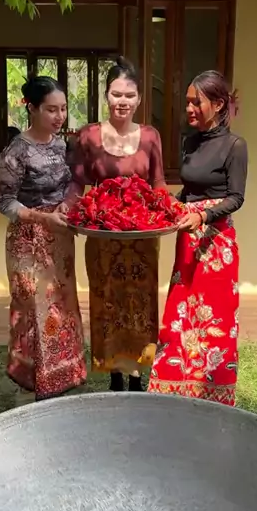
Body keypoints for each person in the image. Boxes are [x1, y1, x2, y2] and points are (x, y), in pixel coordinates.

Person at [148, 70, 248, 406]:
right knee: (182, 312)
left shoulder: (235, 146)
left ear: (218, 104)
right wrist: (166, 206)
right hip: (188, 239)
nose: (189, 108)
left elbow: (236, 198)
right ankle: (175, 386)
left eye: (197, 102)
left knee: (214, 317)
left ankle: (212, 392)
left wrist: (202, 216)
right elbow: (190, 190)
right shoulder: (190, 142)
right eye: (188, 102)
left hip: (216, 242)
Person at [68, 57, 167, 392]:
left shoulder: (150, 136)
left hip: (142, 238)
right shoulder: (89, 136)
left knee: (140, 302)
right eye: (116, 94)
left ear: (139, 99)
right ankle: (113, 373)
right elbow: (77, 183)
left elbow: (158, 183)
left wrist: (171, 210)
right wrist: (68, 210)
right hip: (103, 235)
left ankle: (137, 375)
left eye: (129, 95)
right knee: (106, 301)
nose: (122, 101)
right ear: (106, 96)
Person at [0, 76, 86, 402]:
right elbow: (5, 203)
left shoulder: (62, 146)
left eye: (63, 109)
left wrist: (67, 204)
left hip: (59, 238)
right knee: (33, 307)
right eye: (51, 109)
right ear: (32, 108)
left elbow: (72, 186)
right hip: (27, 239)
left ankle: (63, 373)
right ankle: (32, 376)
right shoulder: (16, 151)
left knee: (62, 305)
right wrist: (42, 217)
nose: (60, 116)